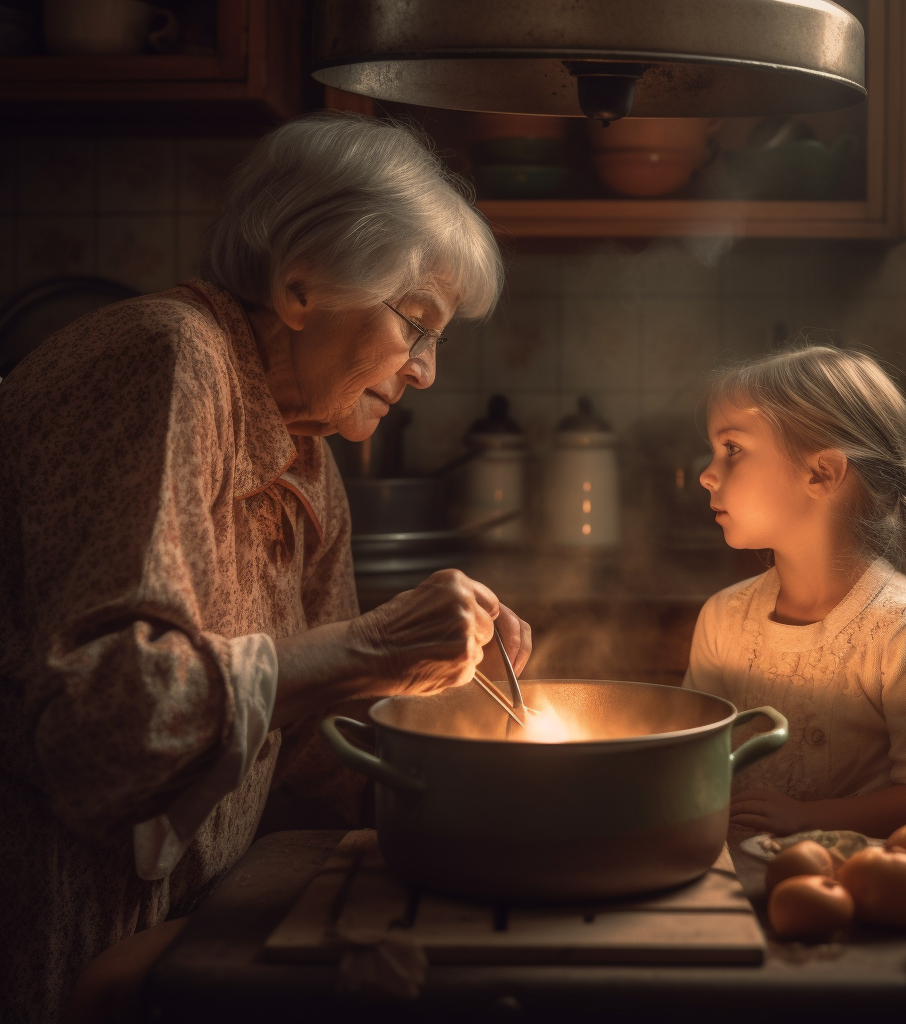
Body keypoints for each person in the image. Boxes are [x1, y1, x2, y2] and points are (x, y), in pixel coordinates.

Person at [0, 111, 531, 1024]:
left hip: (173, 921)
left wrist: (462, 737)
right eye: (417, 325)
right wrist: (370, 646)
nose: (427, 372)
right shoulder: (163, 358)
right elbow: (98, 722)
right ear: (301, 285)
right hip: (52, 927)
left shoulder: (306, 451)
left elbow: (313, 750)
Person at [684, 344, 906, 838]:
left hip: (859, 897)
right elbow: (689, 759)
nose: (706, 474)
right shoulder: (722, 618)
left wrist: (807, 820)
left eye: (731, 448)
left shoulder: (901, 631)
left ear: (822, 472)